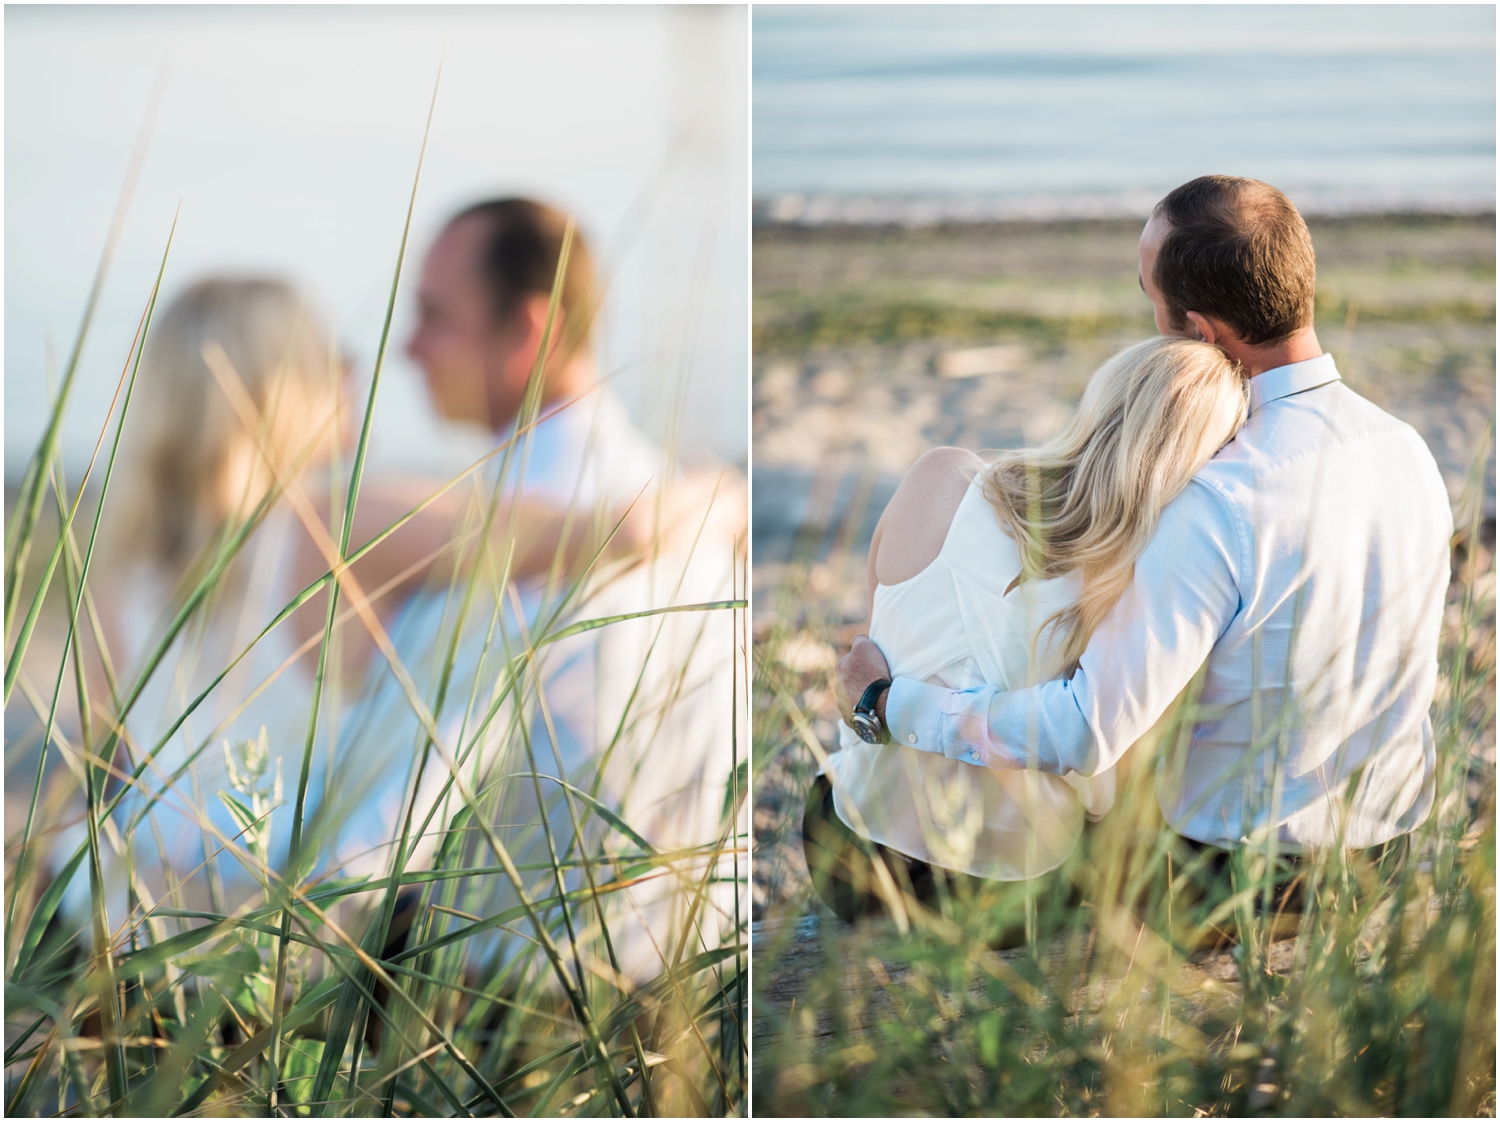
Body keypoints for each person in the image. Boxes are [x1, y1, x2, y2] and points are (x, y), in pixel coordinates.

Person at [835, 175, 1453, 927]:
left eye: (1146, 294)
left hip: (1234, 883)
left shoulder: (1216, 500)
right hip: (1385, 852)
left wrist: (890, 704)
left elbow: (1085, 730)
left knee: (1081, 817)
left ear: (1196, 330)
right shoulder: (1408, 450)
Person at [342, 198, 743, 986]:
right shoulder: (683, 509)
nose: (407, 349)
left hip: (515, 1005)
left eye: (432, 317)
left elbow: (378, 833)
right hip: (687, 974)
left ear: (530, 331)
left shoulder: (507, 549)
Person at [806, 337, 1249, 927]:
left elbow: (870, 646)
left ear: (1101, 400)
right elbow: (1103, 789)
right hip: (1006, 903)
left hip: (848, 856)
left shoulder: (937, 475)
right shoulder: (1125, 594)